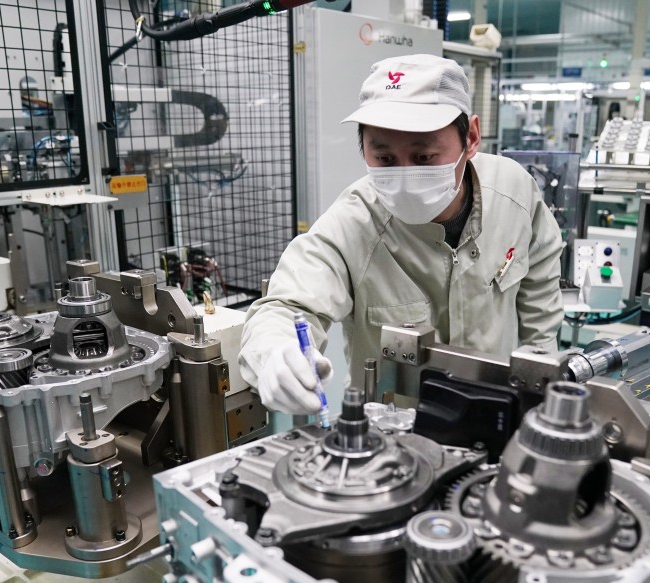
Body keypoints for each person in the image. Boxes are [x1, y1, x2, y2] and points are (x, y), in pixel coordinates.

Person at [238, 53, 563, 415]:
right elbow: (286, 307)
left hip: (497, 411)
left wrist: (540, 372)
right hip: (391, 438)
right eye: (386, 160)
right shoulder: (353, 225)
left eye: (424, 157)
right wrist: (274, 356)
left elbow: (541, 281)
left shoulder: (514, 192)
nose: (406, 177)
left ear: (470, 138)